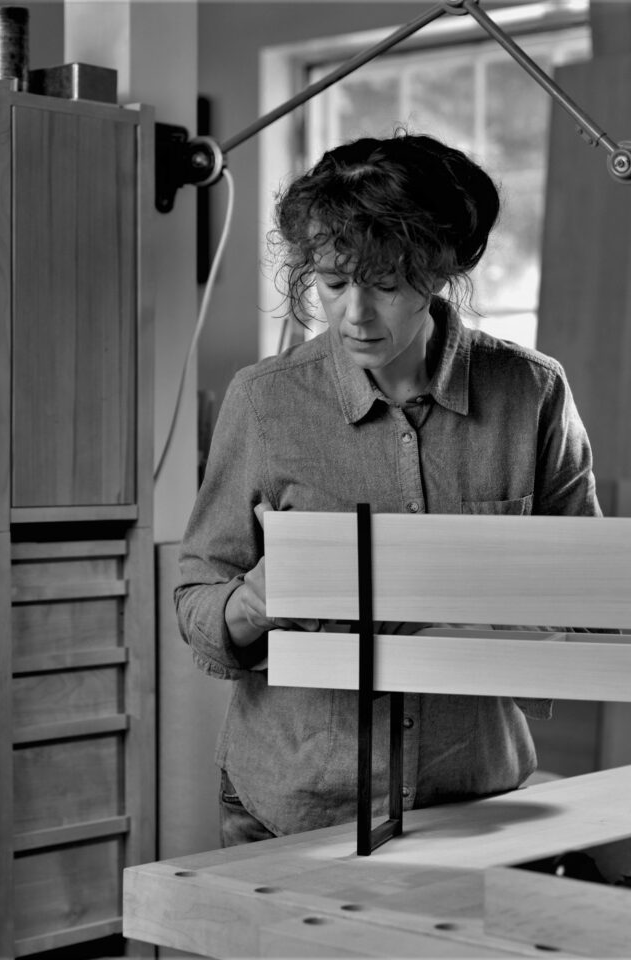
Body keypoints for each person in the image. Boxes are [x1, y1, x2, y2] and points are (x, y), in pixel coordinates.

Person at [175, 131, 601, 847]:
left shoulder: (531, 394)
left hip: (473, 800)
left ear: (439, 272)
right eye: (334, 283)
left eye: (385, 285)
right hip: (295, 804)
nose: (354, 314)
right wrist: (251, 603)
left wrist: (493, 627)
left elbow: (591, 597)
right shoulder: (264, 402)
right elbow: (195, 598)